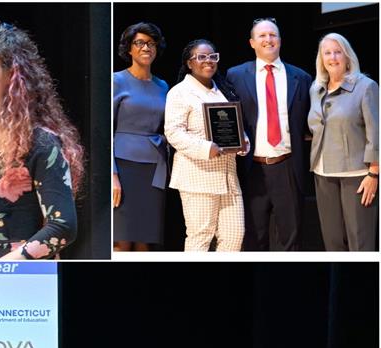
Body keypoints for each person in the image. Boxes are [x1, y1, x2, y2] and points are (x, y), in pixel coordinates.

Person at [0, 19, 81, 259]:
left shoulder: (41, 143)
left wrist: (3, 268)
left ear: (11, 73)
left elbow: (62, 227)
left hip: (21, 282)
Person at [226, 18, 313, 251]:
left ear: (280, 41)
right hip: (251, 169)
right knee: (254, 239)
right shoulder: (234, 75)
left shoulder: (302, 78)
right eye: (262, 36)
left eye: (273, 35)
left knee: (291, 240)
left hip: (288, 167)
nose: (268, 40)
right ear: (252, 43)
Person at [165, 39, 248, 251]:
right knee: (200, 237)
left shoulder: (222, 90)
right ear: (189, 63)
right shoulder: (179, 92)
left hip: (228, 177)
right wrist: (205, 148)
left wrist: (242, 141)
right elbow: (173, 132)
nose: (208, 61)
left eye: (213, 56)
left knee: (234, 236)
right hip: (197, 177)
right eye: (201, 57)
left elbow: (233, 125)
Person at [308, 33, 379, 250]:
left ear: (347, 57)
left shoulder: (365, 86)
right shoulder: (316, 89)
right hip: (323, 173)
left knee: (360, 242)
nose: (333, 57)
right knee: (332, 242)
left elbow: (376, 132)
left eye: (337, 51)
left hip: (357, 176)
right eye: (327, 52)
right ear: (321, 59)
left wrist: (374, 173)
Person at [113, 22, 169, 251]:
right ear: (129, 49)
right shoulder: (116, 80)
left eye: (151, 43)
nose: (146, 47)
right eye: (140, 43)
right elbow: (105, 131)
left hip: (154, 167)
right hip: (124, 167)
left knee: (145, 241)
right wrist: (112, 175)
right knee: (122, 239)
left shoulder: (163, 85)